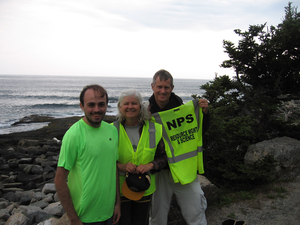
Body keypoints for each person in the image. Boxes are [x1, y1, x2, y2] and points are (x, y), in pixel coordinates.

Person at [148, 69, 210, 225]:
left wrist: (205, 113)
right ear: (153, 86)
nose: (163, 91)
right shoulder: (146, 112)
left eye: (166, 87)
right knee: (156, 217)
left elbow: (199, 131)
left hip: (184, 169)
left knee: (195, 212)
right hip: (159, 172)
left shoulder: (183, 110)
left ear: (172, 88)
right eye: (159, 86)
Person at [54, 84, 121, 225]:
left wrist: (117, 204)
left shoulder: (112, 131)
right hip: (84, 218)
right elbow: (60, 179)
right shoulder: (73, 135)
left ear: (107, 105)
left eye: (101, 104)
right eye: (91, 105)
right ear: (82, 106)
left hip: (109, 214)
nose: (96, 110)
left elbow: (112, 168)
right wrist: (73, 218)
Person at [113, 89, 168, 225]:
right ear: (120, 107)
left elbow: (165, 156)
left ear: (140, 106)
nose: (130, 107)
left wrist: (151, 165)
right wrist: (121, 166)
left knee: (141, 222)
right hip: (119, 188)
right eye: (126, 104)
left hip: (144, 187)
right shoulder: (111, 130)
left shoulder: (154, 129)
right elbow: (103, 160)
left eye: (134, 103)